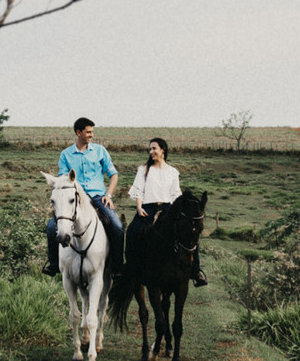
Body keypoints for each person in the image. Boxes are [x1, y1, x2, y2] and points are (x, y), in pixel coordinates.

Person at [43, 117, 125, 278]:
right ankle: (53, 264)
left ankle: (117, 266)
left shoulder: (100, 151)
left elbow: (113, 175)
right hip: (75, 199)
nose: (91, 135)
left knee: (117, 226)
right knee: (51, 227)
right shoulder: (66, 154)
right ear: (78, 132)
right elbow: (63, 179)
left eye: (92, 132)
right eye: (88, 132)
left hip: (98, 197)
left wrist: (109, 195)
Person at [126, 137, 207, 286]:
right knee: (132, 231)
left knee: (189, 234)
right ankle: (130, 269)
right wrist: (139, 207)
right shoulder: (143, 170)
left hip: (168, 210)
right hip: (148, 208)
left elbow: (176, 194)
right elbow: (138, 191)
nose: (151, 152)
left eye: (154, 148)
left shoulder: (172, 172)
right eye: (150, 149)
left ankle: (196, 271)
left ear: (163, 150)